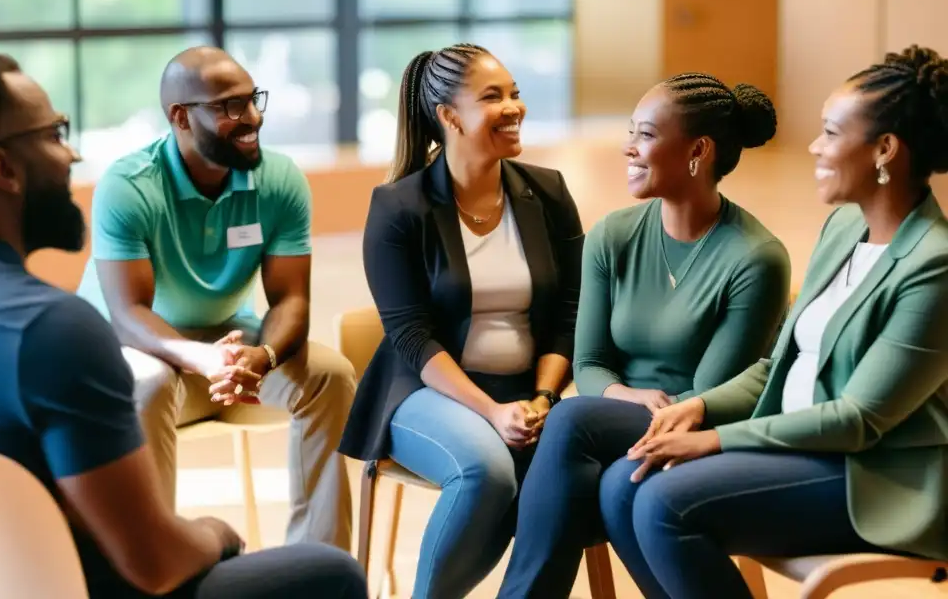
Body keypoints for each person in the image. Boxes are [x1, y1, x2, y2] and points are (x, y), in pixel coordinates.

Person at [0, 53, 367, 599]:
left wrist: (258, 357)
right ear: (2, 168)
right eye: (54, 134)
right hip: (107, 580)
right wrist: (216, 533)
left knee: (329, 373)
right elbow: (155, 565)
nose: (73, 152)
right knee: (332, 576)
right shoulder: (54, 330)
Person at [588, 45, 948, 599]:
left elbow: (858, 420)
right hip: (804, 449)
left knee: (663, 503)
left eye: (830, 132)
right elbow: (782, 363)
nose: (814, 145)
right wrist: (698, 407)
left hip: (874, 480)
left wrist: (714, 440)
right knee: (619, 485)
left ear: (884, 149)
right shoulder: (843, 228)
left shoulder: (934, 265)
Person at [497, 73, 792, 597]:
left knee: (571, 423)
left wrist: (619, 403)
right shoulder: (613, 235)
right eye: (631, 131)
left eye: (647, 135)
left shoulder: (755, 257)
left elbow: (712, 394)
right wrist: (622, 394)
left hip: (702, 427)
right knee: (612, 484)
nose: (627, 148)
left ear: (698, 150)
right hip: (611, 422)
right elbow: (588, 363)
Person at [74, 46, 355, 550]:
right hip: (133, 355)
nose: (252, 118)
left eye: (253, 100)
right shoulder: (129, 185)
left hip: (227, 352)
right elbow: (128, 313)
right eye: (230, 106)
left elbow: (291, 300)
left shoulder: (279, 179)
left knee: (331, 376)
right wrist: (203, 359)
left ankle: (320, 565)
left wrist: (261, 356)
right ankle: (158, 563)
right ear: (180, 116)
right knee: (153, 381)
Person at [338, 43, 585, 598]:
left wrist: (542, 399)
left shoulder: (548, 192)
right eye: (493, 97)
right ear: (449, 116)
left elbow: (572, 310)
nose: (514, 107)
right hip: (427, 391)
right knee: (487, 470)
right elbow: (411, 337)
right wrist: (494, 412)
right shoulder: (399, 207)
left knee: (569, 478)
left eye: (516, 93)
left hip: (529, 394)